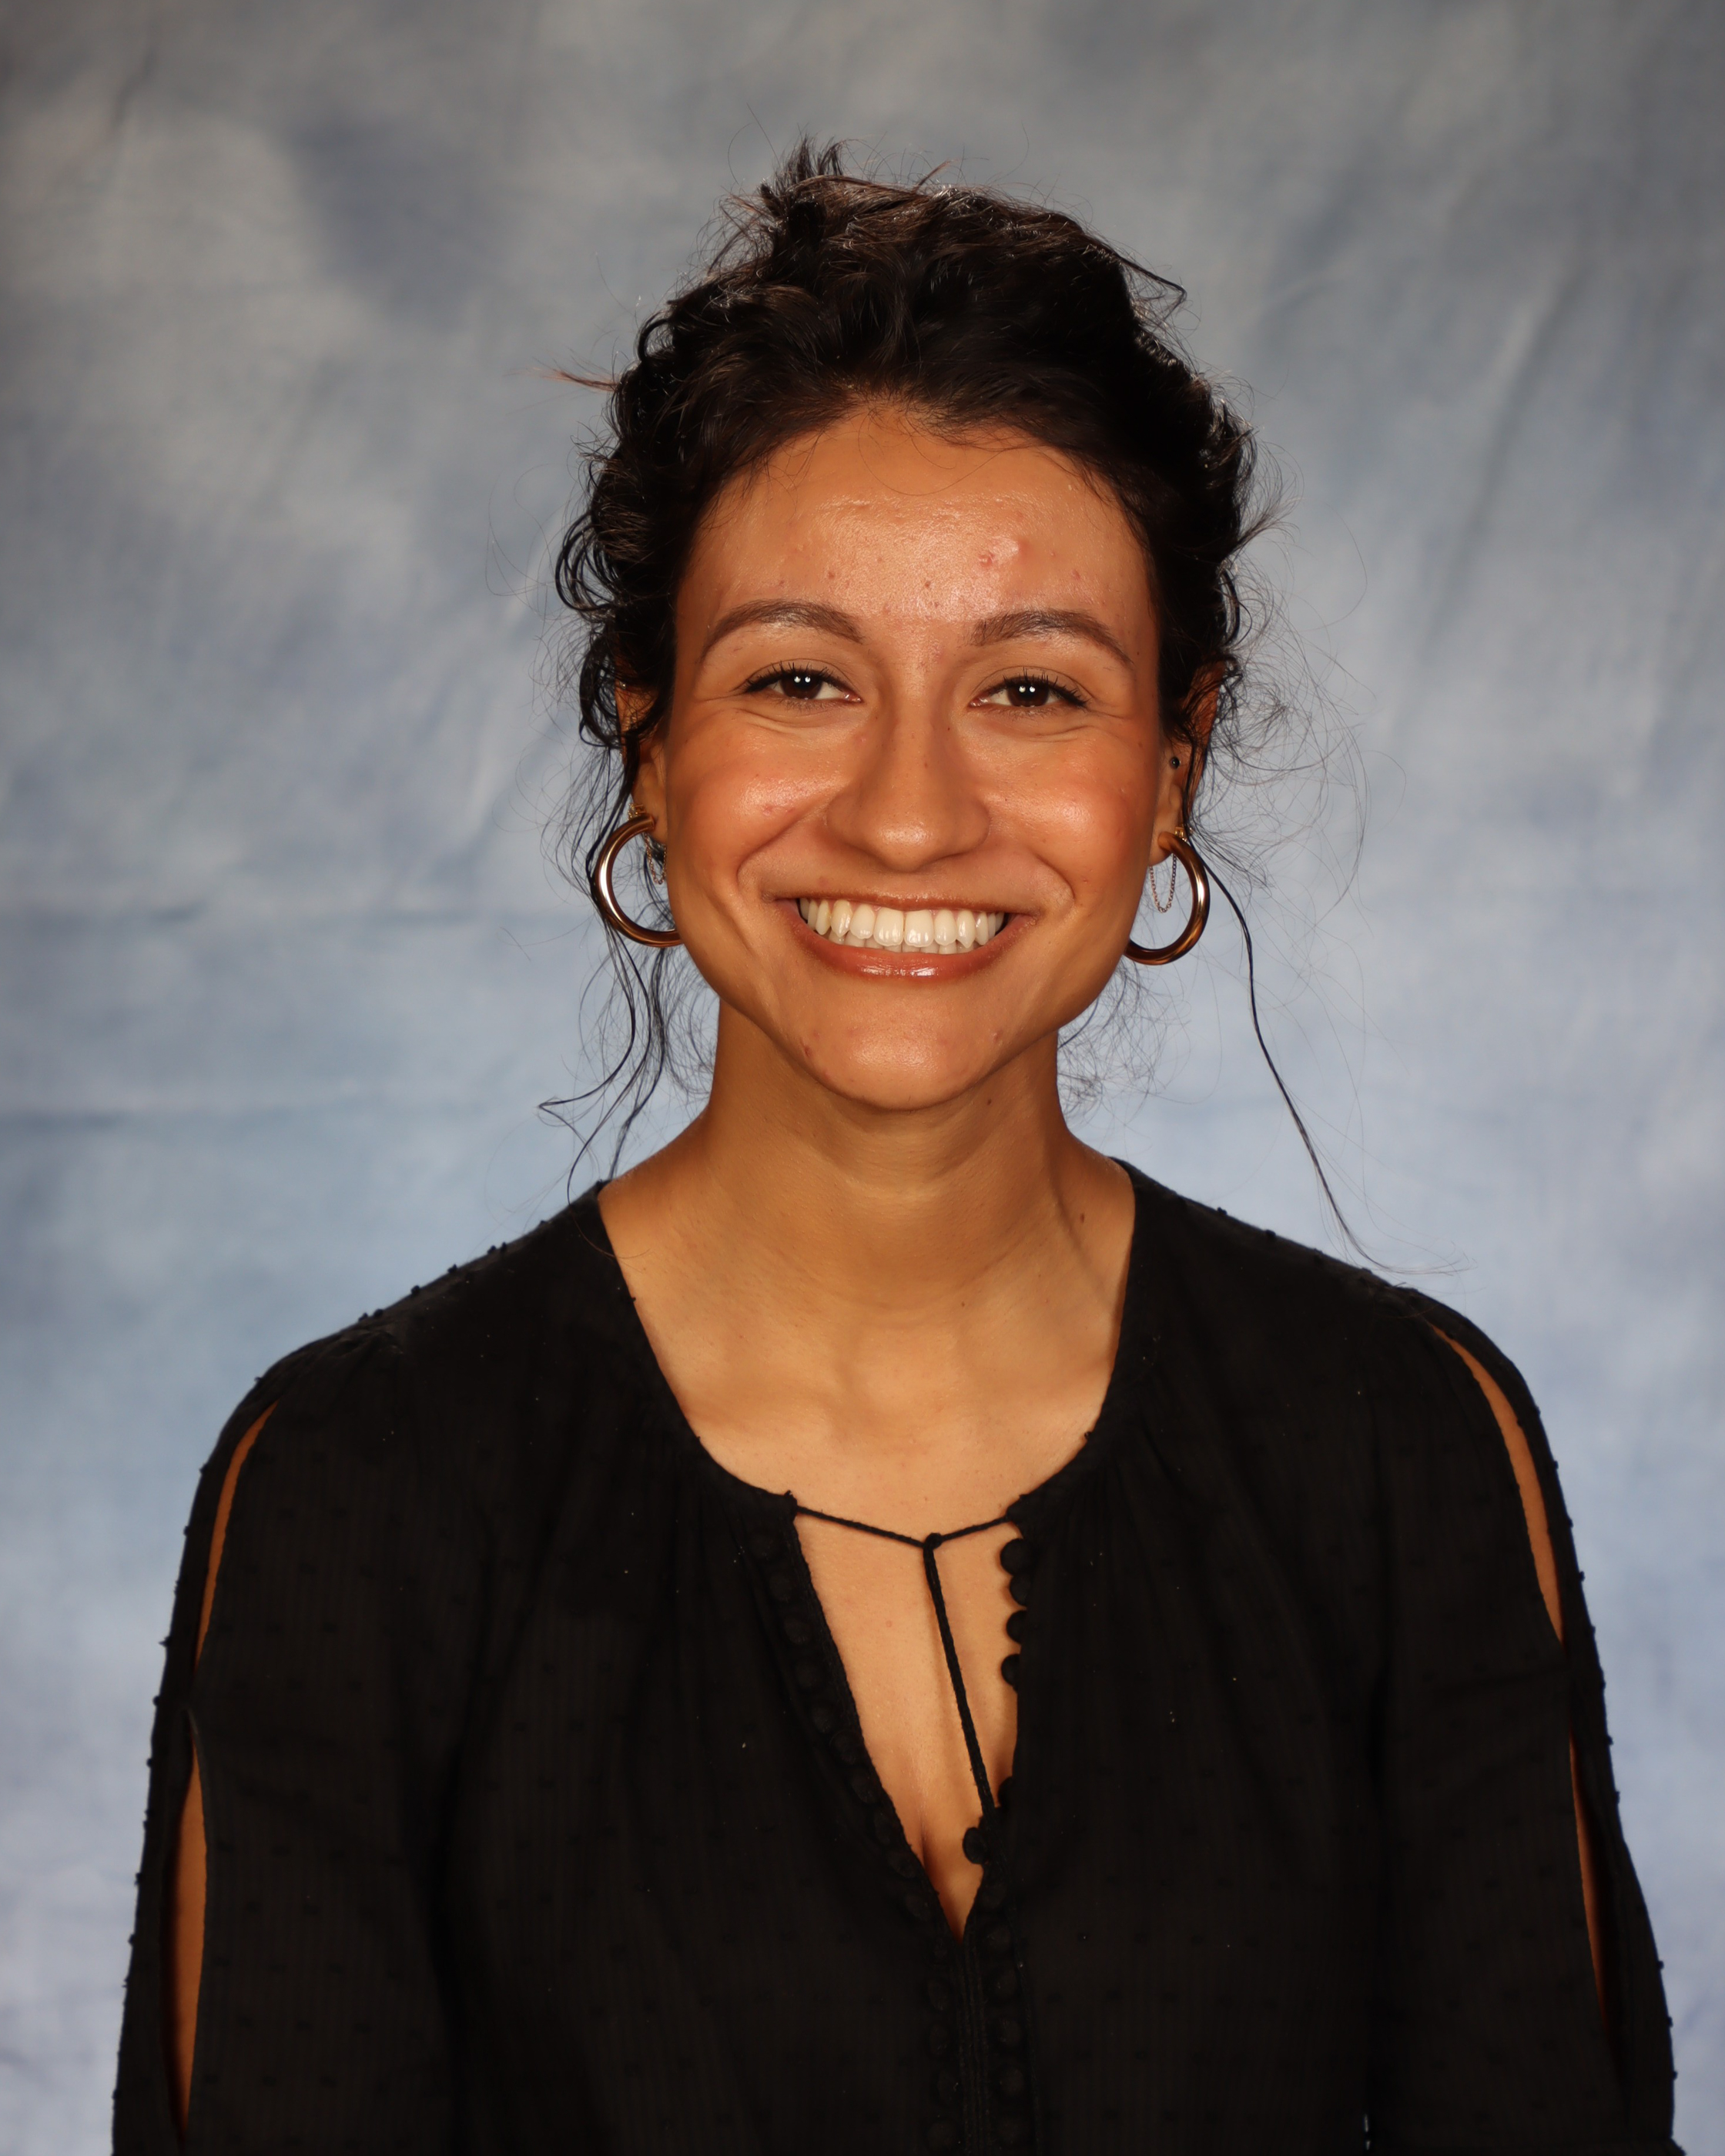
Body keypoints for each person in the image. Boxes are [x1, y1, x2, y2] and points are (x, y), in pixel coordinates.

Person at [115, 144, 1678, 2154]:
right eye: (798, 679)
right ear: (650, 743)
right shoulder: (363, 1493)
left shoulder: (1402, 1450)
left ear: (1174, 763)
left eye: (1031, 688)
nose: (912, 813)